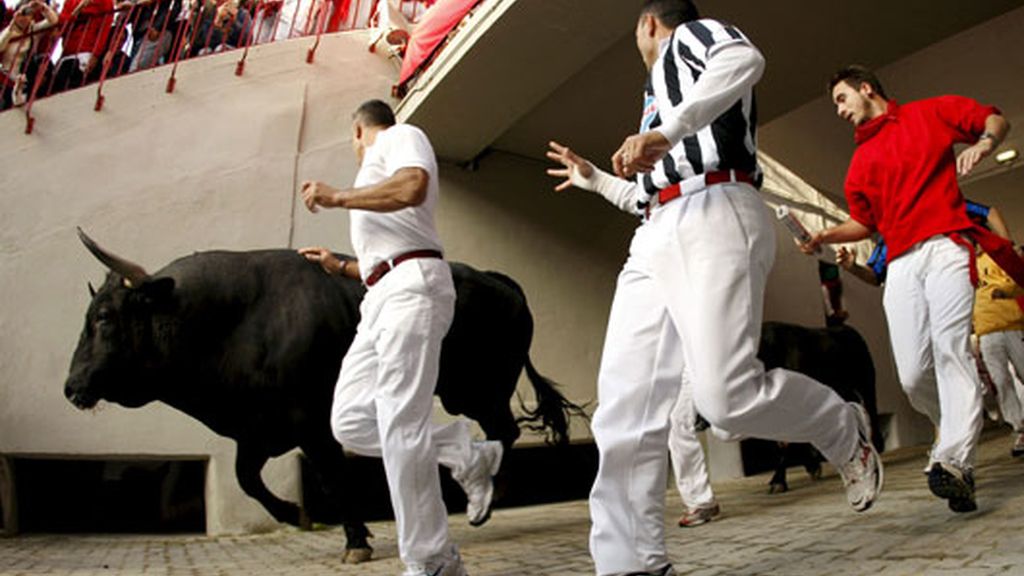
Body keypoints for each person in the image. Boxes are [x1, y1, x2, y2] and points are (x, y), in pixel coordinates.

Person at [546, 3, 881, 574]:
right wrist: (593, 178)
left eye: (638, 32)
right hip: (655, 230)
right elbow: (648, 195)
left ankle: (842, 428)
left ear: (648, 24)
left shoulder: (689, 38)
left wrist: (665, 131)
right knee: (625, 403)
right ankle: (631, 562)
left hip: (718, 208)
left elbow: (744, 59)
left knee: (724, 398)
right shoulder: (657, 94)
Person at [298, 99, 502, 576]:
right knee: (350, 420)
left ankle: (433, 560)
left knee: (399, 420)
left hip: (412, 288)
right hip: (380, 294)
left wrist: (337, 197)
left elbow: (413, 187)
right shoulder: (374, 172)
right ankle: (465, 453)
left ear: (358, 131)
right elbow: (385, 257)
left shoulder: (399, 136)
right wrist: (339, 265)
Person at [799, 65, 1011, 512]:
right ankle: (950, 435)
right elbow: (864, 224)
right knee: (913, 374)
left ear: (866, 88)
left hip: (947, 246)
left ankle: (956, 460)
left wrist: (984, 144)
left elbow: (994, 119)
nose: (839, 110)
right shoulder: (859, 165)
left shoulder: (930, 113)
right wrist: (824, 236)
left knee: (950, 349)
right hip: (900, 263)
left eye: (841, 99)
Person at [973, 248, 1024, 458]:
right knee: (1000, 381)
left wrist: (1004, 291)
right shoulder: (964, 266)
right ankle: (1019, 428)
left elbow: (1018, 280)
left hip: (1012, 325)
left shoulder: (998, 257)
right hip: (986, 332)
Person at [667, 374, 719, 528]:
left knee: (728, 429)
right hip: (679, 372)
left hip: (705, 366)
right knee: (677, 424)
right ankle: (701, 501)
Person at [0, 0, 57, 109]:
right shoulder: (8, 32)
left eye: (29, 14)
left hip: (24, 79)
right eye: (23, 14)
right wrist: (12, 26)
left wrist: (42, 7)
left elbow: (53, 21)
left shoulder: (33, 30)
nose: (25, 18)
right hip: (6, 79)